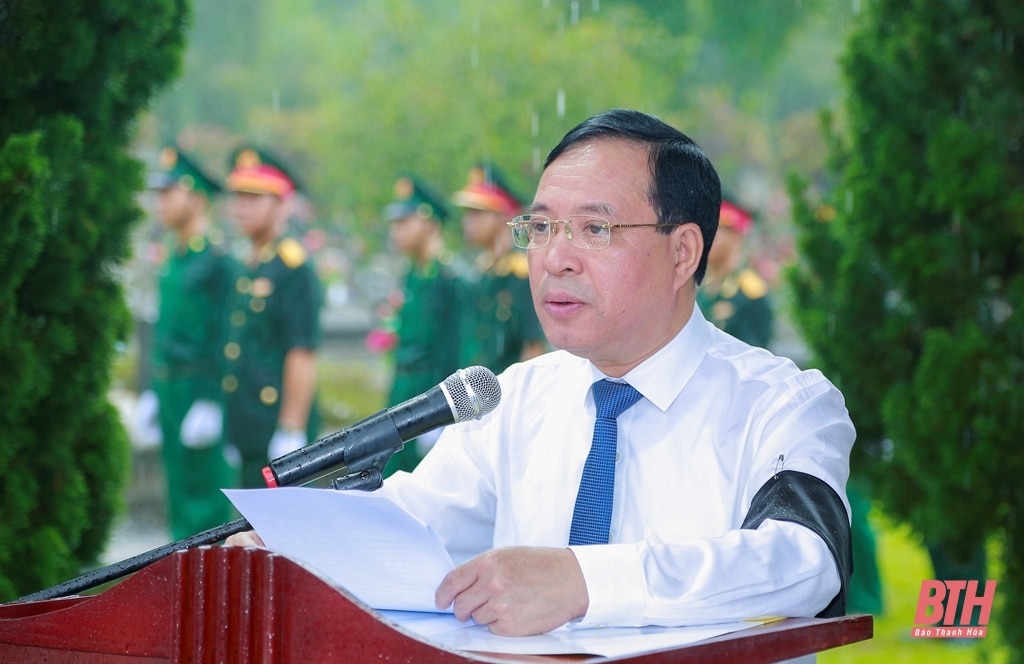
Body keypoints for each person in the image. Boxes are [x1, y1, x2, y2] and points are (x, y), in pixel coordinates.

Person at [229, 109, 855, 637]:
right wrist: (298, 547)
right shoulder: (516, 399)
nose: (556, 258)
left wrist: (586, 582)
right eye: (542, 227)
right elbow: (415, 522)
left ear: (683, 251)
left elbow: (803, 559)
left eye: (594, 228)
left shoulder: (784, 404)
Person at [142, 145, 236, 539]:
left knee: (205, 501)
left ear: (196, 198)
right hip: (169, 385)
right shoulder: (174, 257)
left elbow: (228, 334)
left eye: (169, 193)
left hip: (199, 386)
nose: (159, 202)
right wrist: (149, 388)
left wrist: (213, 399)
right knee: (178, 491)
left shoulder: (216, 259)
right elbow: (163, 329)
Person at [221, 146, 322, 488]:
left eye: (254, 197)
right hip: (248, 421)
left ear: (283, 205)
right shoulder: (251, 264)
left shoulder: (292, 268)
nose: (241, 207)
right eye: (238, 197)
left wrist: (291, 427)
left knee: (279, 536)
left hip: (276, 421)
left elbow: (302, 351)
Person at [381, 174, 466, 476]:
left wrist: (442, 415)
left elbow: (456, 352)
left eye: (404, 222)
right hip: (402, 396)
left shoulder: (450, 280)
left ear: (429, 223)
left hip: (430, 398)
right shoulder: (413, 275)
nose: (396, 231)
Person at [452, 163, 547, 373]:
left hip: (509, 396)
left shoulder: (520, 274)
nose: (468, 222)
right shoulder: (483, 272)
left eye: (477, 213)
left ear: (504, 215)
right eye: (467, 214)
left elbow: (533, 348)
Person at [697, 197, 774, 349]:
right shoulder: (703, 288)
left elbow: (753, 358)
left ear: (734, 237)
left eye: (714, 230)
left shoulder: (751, 293)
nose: (705, 238)